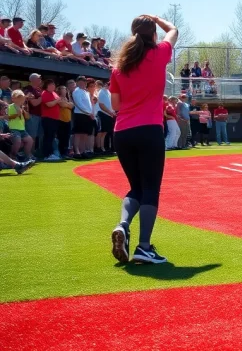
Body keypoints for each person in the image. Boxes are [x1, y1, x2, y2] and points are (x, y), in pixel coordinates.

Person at [109, 14, 178, 265]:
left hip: (122, 132)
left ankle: (123, 224)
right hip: (149, 129)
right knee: (150, 189)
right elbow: (173, 30)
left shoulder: (119, 67)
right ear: (152, 35)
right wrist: (158, 18)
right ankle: (144, 247)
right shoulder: (159, 53)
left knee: (136, 187)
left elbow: (116, 104)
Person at [71, 76, 94, 159]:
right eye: (81, 82)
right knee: (78, 134)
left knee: (84, 134)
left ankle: (82, 151)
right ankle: (76, 151)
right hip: (80, 114)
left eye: (84, 82)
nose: (83, 83)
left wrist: (91, 113)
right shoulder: (76, 91)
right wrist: (89, 113)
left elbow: (89, 104)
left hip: (87, 115)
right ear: (77, 83)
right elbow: (79, 104)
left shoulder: (86, 92)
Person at [40, 79, 63, 161]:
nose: (53, 86)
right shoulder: (45, 93)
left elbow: (60, 103)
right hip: (48, 118)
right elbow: (49, 104)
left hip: (55, 118)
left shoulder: (54, 93)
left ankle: (51, 153)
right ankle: (47, 154)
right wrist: (57, 100)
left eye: (53, 84)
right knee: (48, 137)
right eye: (50, 85)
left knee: (52, 137)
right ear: (47, 86)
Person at [23, 73, 44, 155]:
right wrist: (42, 97)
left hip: (41, 115)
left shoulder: (39, 90)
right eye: (38, 78)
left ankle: (35, 153)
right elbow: (34, 103)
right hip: (32, 115)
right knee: (32, 136)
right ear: (32, 80)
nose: (40, 80)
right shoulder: (28, 89)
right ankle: (29, 154)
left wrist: (40, 98)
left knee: (40, 135)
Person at [96, 80, 116, 155]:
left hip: (109, 114)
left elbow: (110, 104)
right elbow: (101, 105)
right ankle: (99, 148)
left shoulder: (108, 92)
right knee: (101, 132)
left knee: (105, 132)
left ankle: (103, 148)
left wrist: (112, 112)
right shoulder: (101, 92)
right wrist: (110, 112)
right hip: (102, 113)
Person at [56, 85, 74, 159]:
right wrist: (68, 104)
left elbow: (72, 106)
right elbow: (62, 104)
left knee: (67, 137)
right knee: (61, 137)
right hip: (61, 120)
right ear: (59, 90)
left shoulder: (68, 98)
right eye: (63, 89)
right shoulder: (58, 97)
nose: (65, 91)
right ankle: (61, 152)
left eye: (65, 89)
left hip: (68, 120)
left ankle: (65, 152)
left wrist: (67, 104)